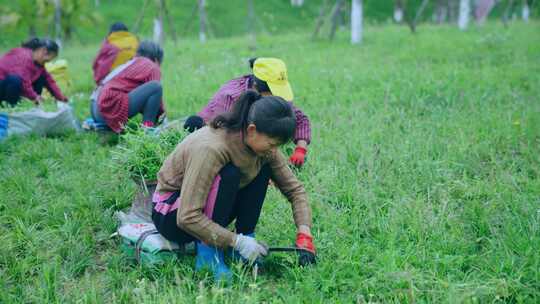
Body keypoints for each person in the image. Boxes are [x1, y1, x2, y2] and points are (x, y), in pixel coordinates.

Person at [152, 91, 316, 281]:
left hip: (204, 211)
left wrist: (305, 234)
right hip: (172, 214)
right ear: (252, 129)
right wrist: (236, 242)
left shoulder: (263, 148)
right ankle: (208, 254)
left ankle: (245, 237)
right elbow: (187, 217)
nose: (274, 151)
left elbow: (295, 190)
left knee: (262, 167)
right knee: (230, 174)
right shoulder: (212, 149)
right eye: (272, 144)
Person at [183, 57, 312, 167]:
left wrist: (300, 150)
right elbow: (225, 136)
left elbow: (299, 118)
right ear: (257, 87)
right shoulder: (231, 97)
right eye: (273, 94)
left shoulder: (273, 97)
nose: (277, 98)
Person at [91, 41, 165, 133]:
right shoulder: (151, 66)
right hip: (106, 109)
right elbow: (157, 100)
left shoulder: (129, 63)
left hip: (94, 107)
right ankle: (148, 129)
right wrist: (163, 119)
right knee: (156, 87)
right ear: (156, 59)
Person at [0, 38, 68, 107]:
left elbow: (49, 81)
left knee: (41, 77)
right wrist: (34, 97)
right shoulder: (23, 56)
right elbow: (24, 82)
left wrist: (61, 98)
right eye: (47, 60)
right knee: (14, 80)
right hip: (3, 86)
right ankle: (11, 107)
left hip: (10, 89)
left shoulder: (37, 63)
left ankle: (34, 106)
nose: (47, 62)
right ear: (43, 51)